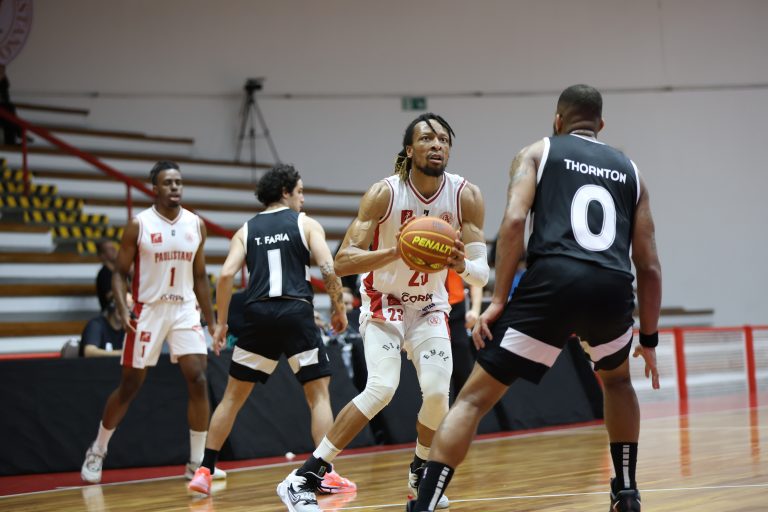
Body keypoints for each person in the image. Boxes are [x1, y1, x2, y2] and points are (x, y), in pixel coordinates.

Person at [406, 85, 662, 512]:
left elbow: (513, 221)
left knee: (472, 399)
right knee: (617, 382)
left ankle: (425, 503)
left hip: (552, 283)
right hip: (611, 287)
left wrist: (498, 300)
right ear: (600, 124)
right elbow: (649, 265)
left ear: (557, 120)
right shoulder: (632, 172)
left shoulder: (538, 152)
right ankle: (627, 491)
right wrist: (649, 340)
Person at [277, 113, 489, 511]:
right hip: (384, 301)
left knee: (438, 394)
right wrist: (395, 251)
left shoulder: (466, 196)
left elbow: (481, 274)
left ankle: (419, 472)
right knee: (382, 388)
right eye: (426, 138)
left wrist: (462, 265)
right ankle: (304, 476)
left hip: (429, 305)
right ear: (409, 149)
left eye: (443, 139)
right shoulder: (384, 193)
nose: (437, 144)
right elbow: (342, 262)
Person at [187, 164, 355, 496]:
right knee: (318, 395)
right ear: (285, 191)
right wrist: (338, 309)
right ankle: (325, 473)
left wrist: (221, 324)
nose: (302, 199)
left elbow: (225, 275)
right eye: (300, 192)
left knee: (232, 398)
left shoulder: (246, 229)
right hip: (295, 312)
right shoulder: (306, 224)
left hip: (258, 315)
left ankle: (204, 470)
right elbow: (327, 267)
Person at [80, 161, 222, 484]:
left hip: (184, 308)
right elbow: (119, 273)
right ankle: (98, 449)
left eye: (178, 182)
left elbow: (200, 275)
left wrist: (211, 321)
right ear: (154, 189)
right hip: (148, 310)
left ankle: (196, 463)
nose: (175, 187)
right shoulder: (139, 225)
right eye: (168, 182)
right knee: (130, 385)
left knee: (198, 378)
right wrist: (123, 307)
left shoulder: (196, 224)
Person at [80, 291, 128, 357]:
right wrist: (121, 353)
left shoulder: (130, 328)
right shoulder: (96, 325)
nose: (125, 311)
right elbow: (89, 351)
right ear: (112, 306)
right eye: (121, 306)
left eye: (129, 307)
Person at [95, 240, 119, 313]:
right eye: (110, 249)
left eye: (114, 247)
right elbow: (110, 296)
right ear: (102, 255)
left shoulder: (120, 272)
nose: (114, 250)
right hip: (111, 314)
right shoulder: (103, 274)